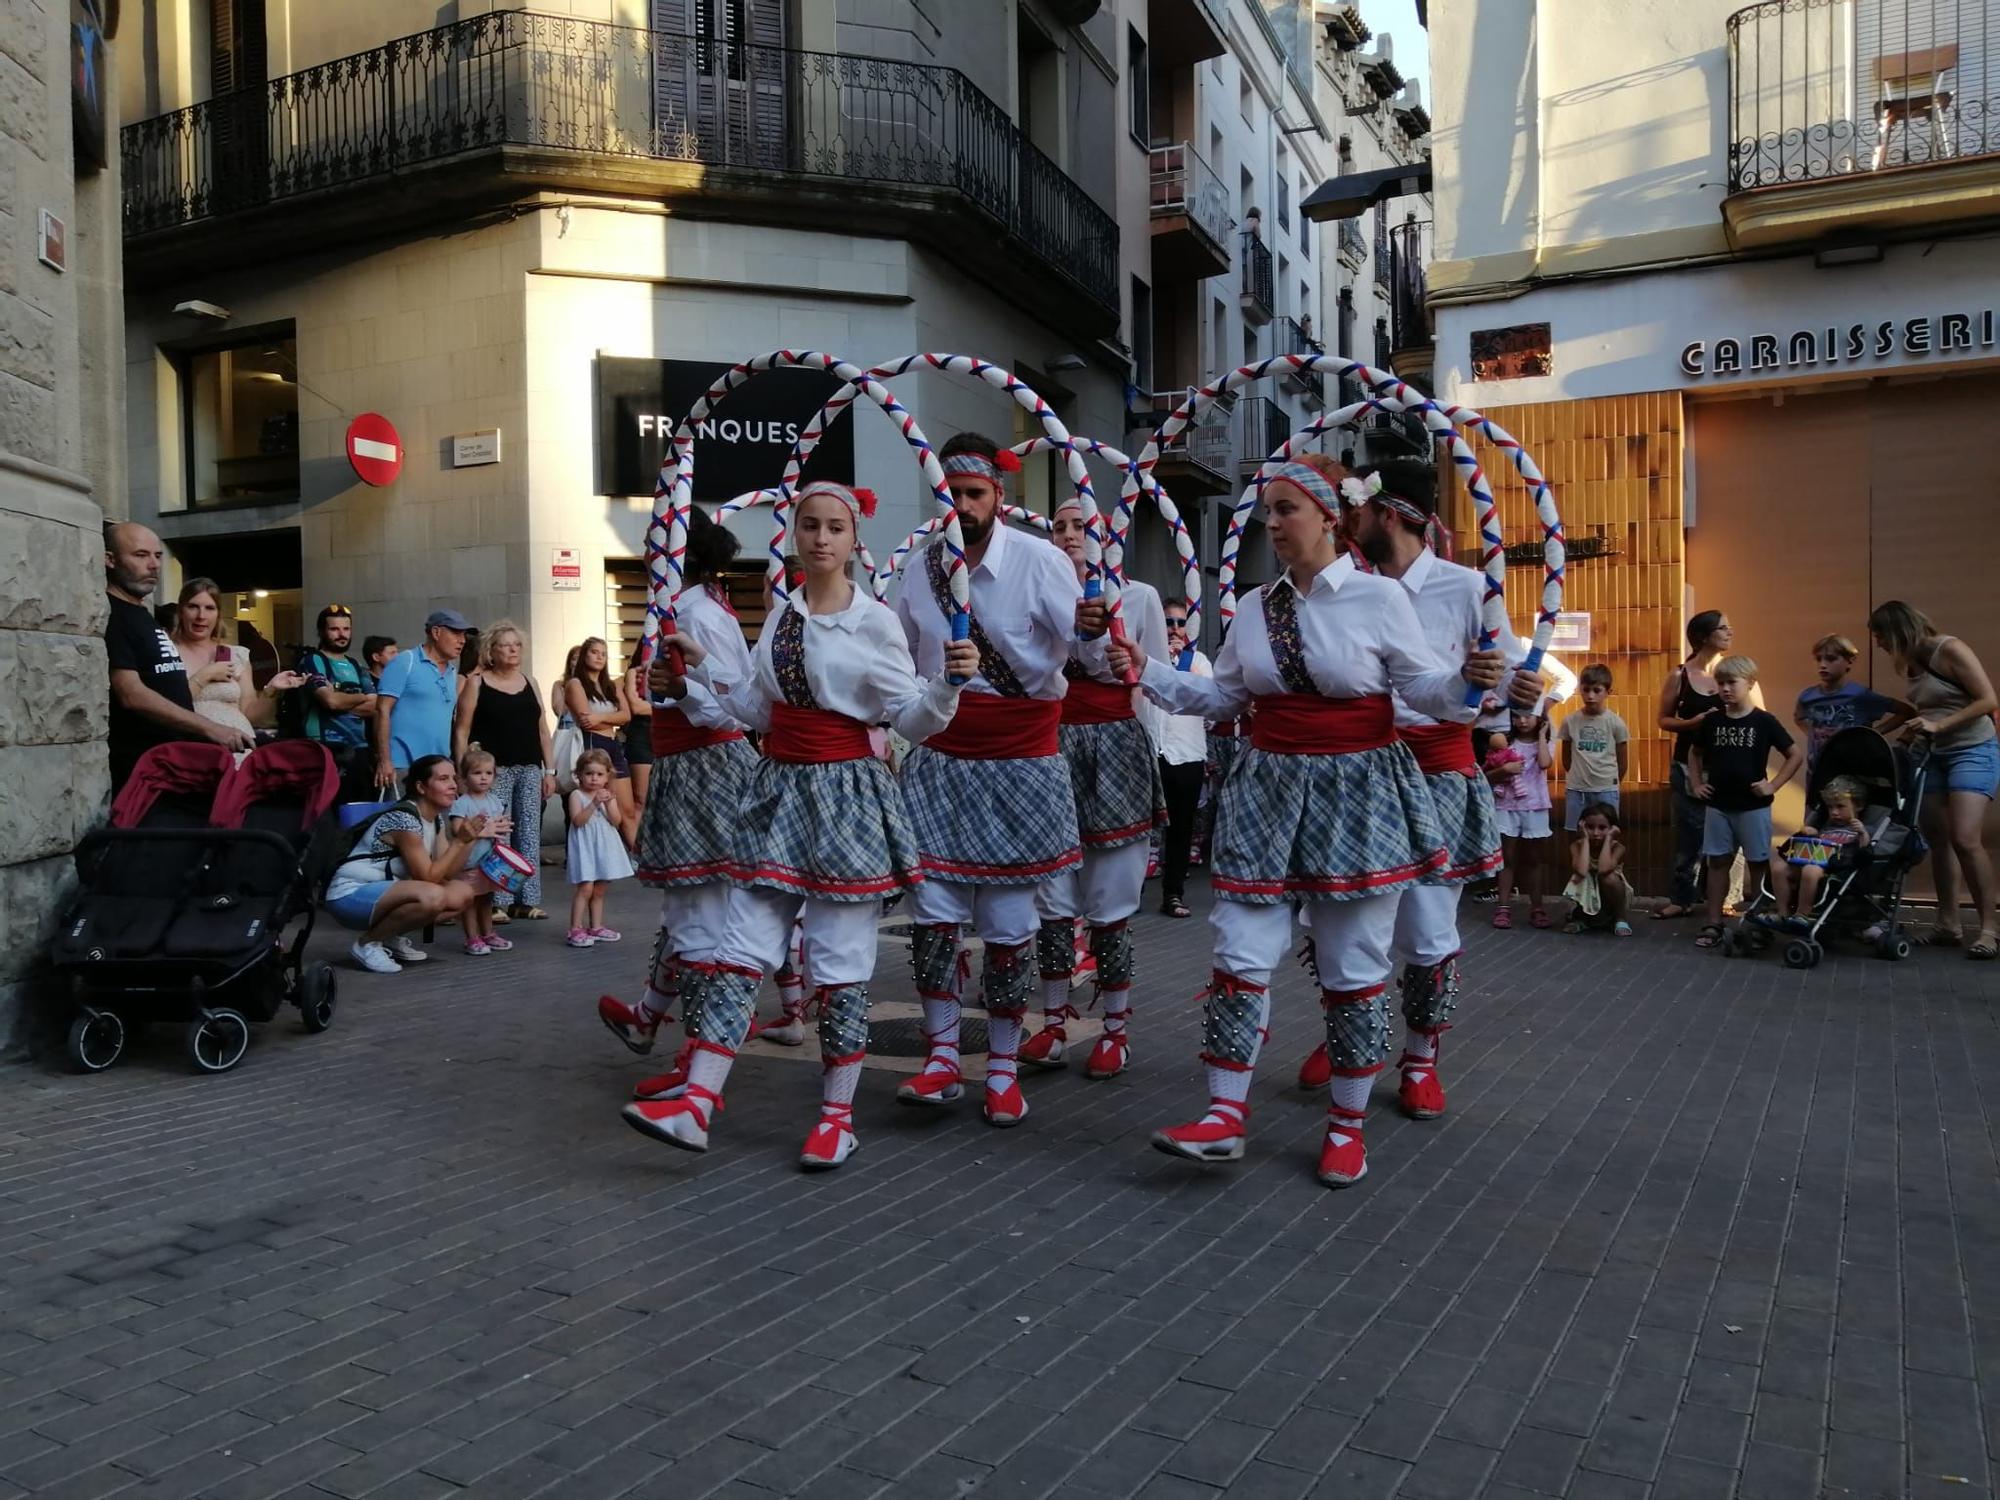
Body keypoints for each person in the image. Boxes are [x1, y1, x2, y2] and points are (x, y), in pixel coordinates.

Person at [1112, 453, 1505, 1188]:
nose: (1273, 523)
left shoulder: (1380, 600)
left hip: (1358, 790)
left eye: (1285, 509)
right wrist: (1147, 671)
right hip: (1267, 791)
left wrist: (1463, 684)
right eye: (1267, 512)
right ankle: (1224, 1116)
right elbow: (1224, 696)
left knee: (1355, 959)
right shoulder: (1257, 607)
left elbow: (1422, 688)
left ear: (1331, 515)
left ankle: (1347, 1126)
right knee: (1239, 945)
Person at [621, 481, 973, 1168]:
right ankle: (696, 1104)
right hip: (776, 793)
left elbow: (911, 719)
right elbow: (757, 709)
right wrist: (694, 681)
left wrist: (949, 686)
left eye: (834, 527)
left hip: (844, 799)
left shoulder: (874, 622)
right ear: (792, 534)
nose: (819, 538)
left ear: (853, 540)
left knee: (839, 966)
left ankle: (837, 1117)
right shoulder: (782, 613)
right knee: (740, 945)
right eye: (809, 525)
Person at [1290, 459, 1542, 1109]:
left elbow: (1515, 677)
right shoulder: (1342, 585)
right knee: (1335, 921)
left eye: (1359, 511)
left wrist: (1525, 693)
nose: (1348, 522)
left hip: (1437, 774)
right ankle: (1346, 1035)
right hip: (1358, 774)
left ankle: (1421, 1060)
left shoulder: (1465, 589)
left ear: (1390, 516)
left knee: (1430, 931)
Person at [889, 430, 1093, 1128]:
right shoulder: (917, 570)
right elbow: (897, 663)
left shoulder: (1040, 563)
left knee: (1009, 926)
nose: (963, 506)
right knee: (934, 921)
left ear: (999, 497)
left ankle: (1003, 1070)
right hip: (942, 760)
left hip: (1020, 761)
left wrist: (1100, 629)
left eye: (974, 493)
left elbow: (1088, 650)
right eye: (951, 494)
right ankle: (943, 1056)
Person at [596, 505, 760, 1091]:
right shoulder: (697, 607)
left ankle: (697, 1061)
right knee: (685, 912)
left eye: (655, 545)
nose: (647, 554)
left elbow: (726, 706)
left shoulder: (693, 614)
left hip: (705, 770)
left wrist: (683, 689)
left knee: (701, 917)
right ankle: (649, 1019)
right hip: (691, 768)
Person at [1017, 495, 1170, 1084]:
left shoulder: (1140, 598)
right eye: (1058, 526)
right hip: (1053, 742)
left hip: (1115, 744)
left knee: (1110, 902)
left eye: (1081, 525)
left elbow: (1151, 678)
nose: (1068, 535)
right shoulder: (1041, 596)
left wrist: (1141, 749)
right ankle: (1053, 1022)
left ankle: (1115, 1029)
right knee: (1053, 900)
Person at [1869, 600, 1998, 958]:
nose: (1877, 644)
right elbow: (1930, 706)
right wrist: (1915, 731)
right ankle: (1947, 923)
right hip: (1932, 754)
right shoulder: (1909, 660)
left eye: (1880, 635)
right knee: (1938, 840)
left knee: (1966, 838)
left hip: (1973, 749)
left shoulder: (1950, 649)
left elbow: (1987, 700)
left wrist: (1939, 724)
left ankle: (1989, 928)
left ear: (1898, 630)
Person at [104, 522, 250, 787]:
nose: (154, 564)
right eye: (140, 555)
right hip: (148, 769)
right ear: (110, 560)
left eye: (157, 555)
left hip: (179, 761)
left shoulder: (141, 614)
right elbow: (131, 694)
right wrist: (209, 727)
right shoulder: (113, 614)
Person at [326, 754, 491, 973]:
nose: (453, 785)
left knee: (462, 893)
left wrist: (468, 840)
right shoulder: (404, 819)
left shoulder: (435, 819)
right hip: (349, 894)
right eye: (443, 779)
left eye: (453, 778)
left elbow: (447, 874)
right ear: (421, 787)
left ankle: (390, 937)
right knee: (433, 895)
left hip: (385, 893)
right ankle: (366, 944)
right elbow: (428, 877)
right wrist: (460, 841)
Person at [1687, 655, 1803, 950]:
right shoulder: (1712, 721)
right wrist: (1697, 784)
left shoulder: (1764, 721)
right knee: (1717, 862)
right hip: (1718, 805)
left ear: (1750, 684)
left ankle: (1757, 919)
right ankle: (1713, 921)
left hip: (1753, 807)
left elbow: (1794, 755)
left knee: (1758, 863)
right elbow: (1695, 753)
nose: (1725, 689)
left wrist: (1773, 785)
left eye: (1732, 683)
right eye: (1721, 683)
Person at [453, 621, 557, 921]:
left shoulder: (530, 681)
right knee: (498, 834)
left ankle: (526, 900)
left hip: (529, 767)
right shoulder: (477, 683)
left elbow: (542, 729)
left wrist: (549, 771)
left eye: (517, 645)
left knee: (528, 834)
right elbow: (462, 730)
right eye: (505, 645)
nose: (513, 650)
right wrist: (463, 772)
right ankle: (496, 899)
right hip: (492, 770)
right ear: (491, 651)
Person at [1655, 610, 1735, 919]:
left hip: (1728, 765)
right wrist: (1692, 723)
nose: (1730, 632)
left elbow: (1760, 717)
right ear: (1703, 636)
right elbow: (1663, 719)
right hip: (1688, 766)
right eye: (1723, 628)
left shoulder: (1737, 673)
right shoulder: (1680, 675)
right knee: (1689, 834)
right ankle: (1681, 897)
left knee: (1731, 831)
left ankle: (1728, 897)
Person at [169, 577, 304, 742]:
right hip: (195, 749)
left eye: (210, 608)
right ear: (181, 611)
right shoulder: (167, 652)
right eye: (193, 607)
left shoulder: (235, 654)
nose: (201, 616)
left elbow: (250, 715)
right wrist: (205, 675)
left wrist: (271, 689)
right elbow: (166, 707)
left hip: (241, 748)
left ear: (218, 614)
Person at [1154, 602, 1211, 919]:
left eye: (1180, 623)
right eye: (1168, 622)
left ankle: (1172, 893)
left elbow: (1206, 698)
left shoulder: (1198, 662)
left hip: (1187, 753)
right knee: (1141, 829)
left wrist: (1180, 665)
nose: (1174, 628)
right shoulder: (1148, 660)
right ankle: (1126, 890)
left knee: (1180, 829)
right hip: (1152, 751)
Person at [373, 609, 469, 792]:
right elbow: (381, 710)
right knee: (402, 819)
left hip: (440, 767)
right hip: (402, 765)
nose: (462, 640)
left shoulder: (452, 671)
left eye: (463, 634)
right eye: (456, 633)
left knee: (440, 821)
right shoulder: (405, 661)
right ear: (436, 632)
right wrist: (385, 760)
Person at [297, 605, 380, 800]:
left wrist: (339, 694)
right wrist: (360, 697)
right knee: (331, 814)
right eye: (334, 629)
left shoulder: (355, 665)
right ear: (321, 632)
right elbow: (330, 702)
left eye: (346, 629)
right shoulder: (312, 660)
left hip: (359, 749)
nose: (341, 634)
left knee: (360, 812)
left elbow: (375, 706)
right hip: (326, 748)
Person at [1794, 634, 1902, 778]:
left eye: (1831, 659)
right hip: (1819, 770)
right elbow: (1799, 717)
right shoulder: (1808, 696)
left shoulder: (1859, 695)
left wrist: (1874, 734)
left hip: (1854, 771)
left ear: (1849, 661)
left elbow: (1905, 711)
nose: (1823, 665)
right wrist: (1813, 735)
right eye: (1819, 659)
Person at [1769, 776, 1870, 926]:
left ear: (1859, 806)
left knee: (1811, 870)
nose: (1834, 812)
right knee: (1778, 867)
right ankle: (1782, 912)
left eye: (1840, 806)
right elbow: (1817, 841)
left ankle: (1802, 914)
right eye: (1830, 807)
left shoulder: (1860, 828)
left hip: (1837, 866)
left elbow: (1866, 849)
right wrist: (1811, 832)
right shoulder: (1826, 824)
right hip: (1812, 858)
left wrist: (1863, 833)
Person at [564, 637, 637, 840]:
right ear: (584, 654)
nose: (599, 657)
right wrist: (610, 719)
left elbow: (626, 716)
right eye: (594, 652)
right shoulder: (575, 684)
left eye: (603, 654)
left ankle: (637, 859)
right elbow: (586, 721)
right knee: (597, 804)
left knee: (627, 809)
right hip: (593, 745)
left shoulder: (611, 686)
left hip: (613, 745)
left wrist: (600, 717)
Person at [1490, 707, 1554, 928]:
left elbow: (1545, 763)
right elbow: (1487, 772)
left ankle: (1537, 907)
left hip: (1535, 806)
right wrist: (1505, 769)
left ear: (1540, 718)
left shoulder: (1543, 742)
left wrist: (1542, 736)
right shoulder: (1504, 743)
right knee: (1507, 858)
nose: (1523, 720)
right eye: (1517, 715)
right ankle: (1503, 907)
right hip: (1507, 805)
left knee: (1535, 859)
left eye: (1528, 715)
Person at [567, 748, 635, 946]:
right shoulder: (576, 796)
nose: (594, 779)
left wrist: (609, 803)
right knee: (586, 887)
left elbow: (616, 821)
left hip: (604, 847)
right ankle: (575, 928)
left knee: (600, 889)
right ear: (579, 775)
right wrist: (594, 804)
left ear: (607, 776)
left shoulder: (607, 795)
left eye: (599, 774)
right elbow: (578, 821)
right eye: (589, 774)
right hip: (585, 847)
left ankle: (595, 926)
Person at [450, 747, 512, 955]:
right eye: (477, 773)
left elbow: (500, 824)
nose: (483, 778)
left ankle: (488, 933)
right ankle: (472, 938)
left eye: (488, 773)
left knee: (486, 898)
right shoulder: (461, 803)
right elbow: (458, 829)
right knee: (470, 900)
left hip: (490, 861)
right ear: (465, 778)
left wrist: (502, 827)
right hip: (469, 861)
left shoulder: (494, 801)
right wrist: (484, 831)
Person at [1559, 664, 1628, 832]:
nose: (1590, 696)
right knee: (1576, 833)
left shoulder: (1616, 723)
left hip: (1606, 789)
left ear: (1607, 692)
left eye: (1597, 690)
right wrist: (1578, 776)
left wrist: (1610, 783)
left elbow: (1622, 761)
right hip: (1577, 789)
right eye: (1586, 690)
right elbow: (1566, 758)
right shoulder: (1570, 721)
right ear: (1580, 690)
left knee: (1608, 835)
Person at [1562, 802, 1632, 936]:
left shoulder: (1617, 848)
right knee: (1579, 877)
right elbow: (1581, 871)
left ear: (1612, 828)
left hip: (1609, 899)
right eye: (1590, 827)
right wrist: (1585, 840)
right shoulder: (1576, 846)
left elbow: (1604, 869)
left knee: (1609, 878)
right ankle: (1582, 919)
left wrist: (1609, 838)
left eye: (1602, 828)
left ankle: (1620, 918)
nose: (1595, 833)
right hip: (1586, 896)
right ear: (1582, 827)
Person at [622, 654, 655, 822]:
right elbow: (636, 707)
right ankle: (639, 846)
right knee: (641, 799)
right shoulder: (634, 673)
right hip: (642, 737)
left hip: (667, 737)